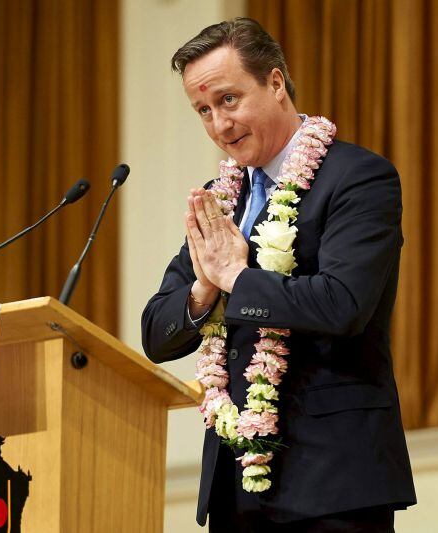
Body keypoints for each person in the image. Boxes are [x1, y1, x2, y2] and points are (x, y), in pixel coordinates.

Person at [141, 18, 416, 532]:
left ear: (275, 82)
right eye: (203, 110)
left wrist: (238, 280)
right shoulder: (220, 201)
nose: (219, 124)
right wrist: (204, 289)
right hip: (236, 488)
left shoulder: (358, 177)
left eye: (228, 99)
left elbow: (342, 303)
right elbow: (156, 332)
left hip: (334, 480)